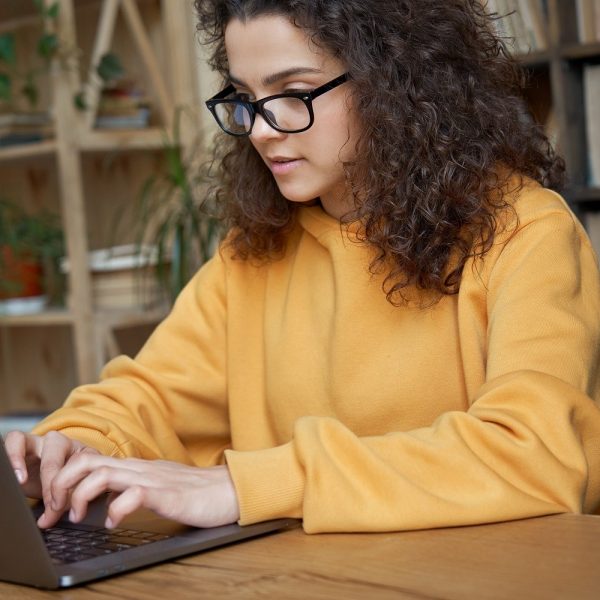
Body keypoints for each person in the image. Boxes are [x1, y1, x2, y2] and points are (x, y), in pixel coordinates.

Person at [5, 0, 600, 534]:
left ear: (396, 82)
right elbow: (151, 398)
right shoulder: (254, 255)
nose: (262, 130)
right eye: (245, 98)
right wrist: (70, 451)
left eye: (294, 92)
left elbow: (537, 455)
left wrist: (247, 486)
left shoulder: (526, 231)